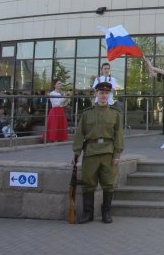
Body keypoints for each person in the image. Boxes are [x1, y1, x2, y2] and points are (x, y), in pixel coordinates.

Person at [72, 81, 124, 224]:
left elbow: (118, 136)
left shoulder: (115, 113)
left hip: (108, 152)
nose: (104, 96)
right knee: (88, 183)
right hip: (91, 152)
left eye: (106, 93)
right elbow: (80, 135)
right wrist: (76, 153)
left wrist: (117, 154)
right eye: (101, 93)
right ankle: (88, 213)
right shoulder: (87, 113)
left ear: (109, 95)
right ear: (96, 94)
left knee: (108, 183)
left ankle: (106, 212)